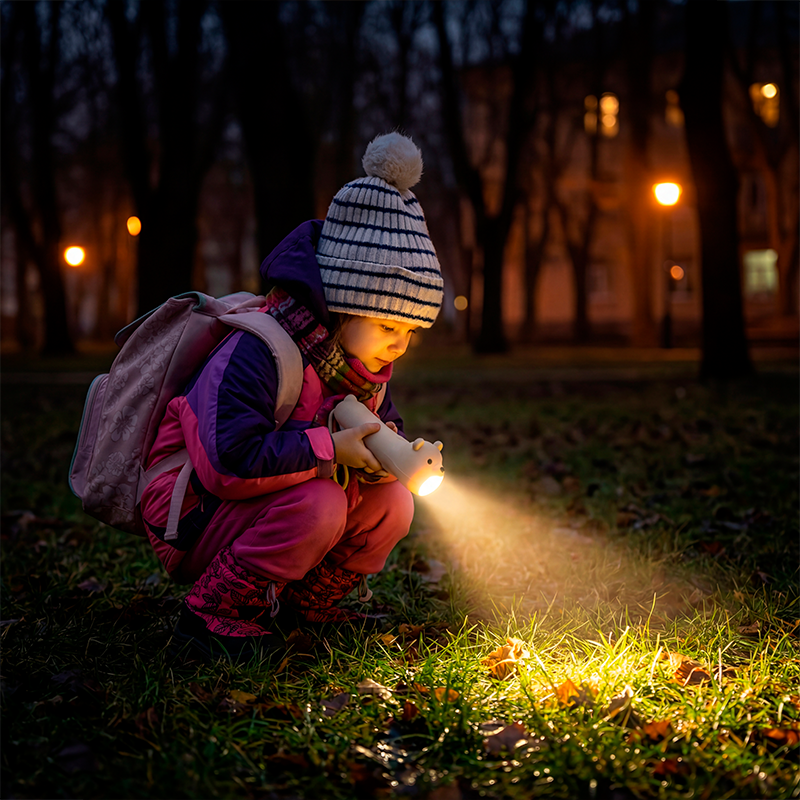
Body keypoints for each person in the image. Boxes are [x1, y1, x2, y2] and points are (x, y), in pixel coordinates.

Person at [139, 132, 444, 660]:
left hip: (270, 504)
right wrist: (330, 449)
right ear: (344, 307)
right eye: (388, 324)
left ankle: (310, 606)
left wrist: (395, 457)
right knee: (321, 502)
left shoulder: (362, 372)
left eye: (411, 331)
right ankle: (212, 613)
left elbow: (375, 447)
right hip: (193, 512)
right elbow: (227, 461)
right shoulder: (260, 350)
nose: (400, 343)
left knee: (393, 502)